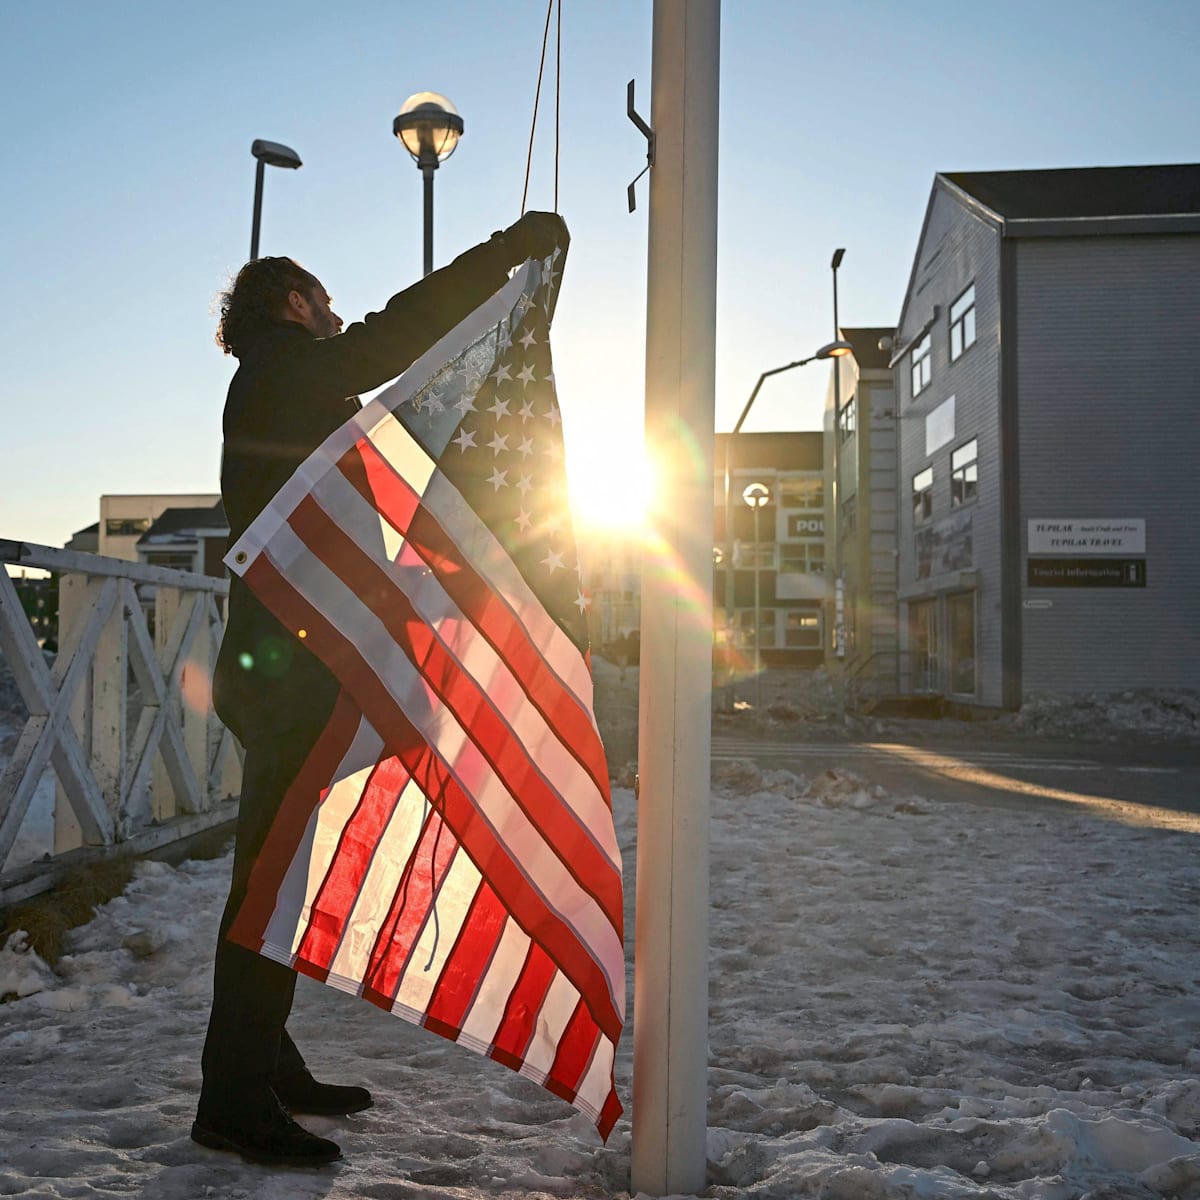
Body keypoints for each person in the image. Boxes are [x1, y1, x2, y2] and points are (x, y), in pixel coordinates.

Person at [195, 212, 568, 1168]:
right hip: (291, 675)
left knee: (271, 882)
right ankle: (232, 1101)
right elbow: (403, 330)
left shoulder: (274, 380)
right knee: (268, 885)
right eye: (324, 302)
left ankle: (266, 1066)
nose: (337, 316)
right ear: (292, 302)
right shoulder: (288, 368)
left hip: (286, 664)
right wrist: (505, 253)